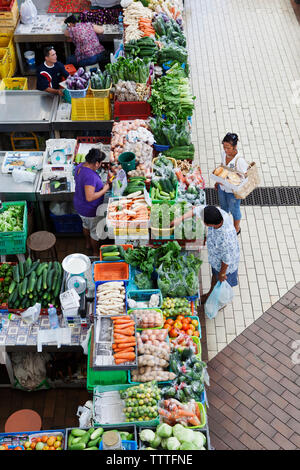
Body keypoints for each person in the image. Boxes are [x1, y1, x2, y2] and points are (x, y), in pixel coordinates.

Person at [172, 205, 240, 304]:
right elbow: (197, 209)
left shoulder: (225, 238)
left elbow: (226, 260)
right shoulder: (220, 214)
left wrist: (222, 273)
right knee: (215, 278)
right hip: (216, 259)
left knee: (221, 283)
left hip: (226, 267)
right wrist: (179, 219)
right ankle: (210, 294)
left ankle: (219, 303)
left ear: (208, 224)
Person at [73, 148, 111, 256]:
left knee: (85, 225)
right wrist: (104, 189)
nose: (100, 165)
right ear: (97, 163)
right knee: (95, 232)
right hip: (90, 210)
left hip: (79, 206)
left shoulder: (80, 166)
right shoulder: (90, 176)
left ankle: (87, 244)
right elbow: (89, 197)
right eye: (100, 163)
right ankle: (95, 252)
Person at [215, 133, 249, 235]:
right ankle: (225, 224)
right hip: (222, 187)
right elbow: (222, 167)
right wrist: (218, 181)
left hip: (233, 191)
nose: (225, 150)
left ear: (235, 147)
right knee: (224, 208)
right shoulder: (223, 154)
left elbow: (245, 177)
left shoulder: (240, 161)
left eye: (228, 148)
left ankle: (236, 228)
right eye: (224, 147)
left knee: (235, 210)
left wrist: (233, 179)